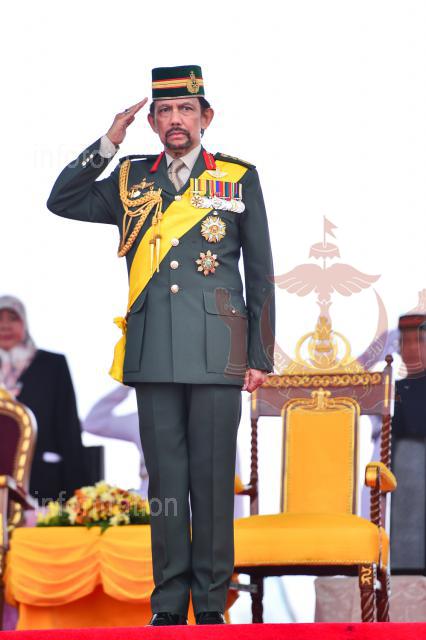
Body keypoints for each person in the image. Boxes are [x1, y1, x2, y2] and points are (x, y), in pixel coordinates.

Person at [47, 65, 275, 626]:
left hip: (219, 351)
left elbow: (260, 272)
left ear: (205, 117)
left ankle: (211, 605)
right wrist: (109, 141)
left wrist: (259, 356)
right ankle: (169, 605)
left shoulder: (237, 178)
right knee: (166, 485)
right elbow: (62, 199)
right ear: (151, 122)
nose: (176, 120)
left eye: (186, 110)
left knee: (213, 483)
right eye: (165, 111)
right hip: (153, 351)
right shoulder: (131, 178)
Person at [0, 295, 88, 504]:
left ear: (24, 322)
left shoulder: (52, 365)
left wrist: (78, 495)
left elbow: (68, 428)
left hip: (45, 481)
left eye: (12, 318)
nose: (4, 325)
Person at [390, 312, 426, 573]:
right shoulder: (395, 390)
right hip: (409, 479)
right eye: (406, 341)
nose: (411, 348)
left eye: (419, 341)